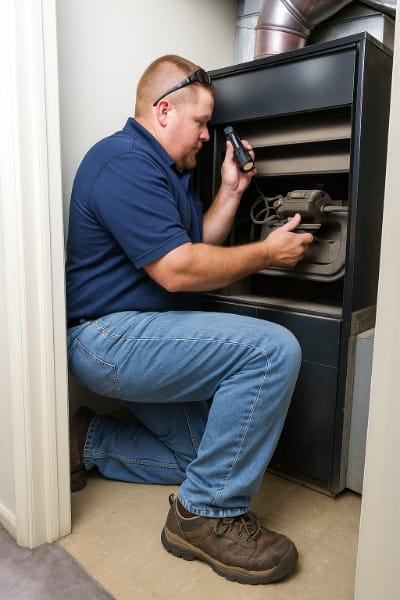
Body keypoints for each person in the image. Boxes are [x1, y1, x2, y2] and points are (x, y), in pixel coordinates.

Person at [66, 54, 313, 585]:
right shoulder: (122, 162)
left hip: (146, 339)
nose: (206, 136)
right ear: (162, 112)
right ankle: (206, 516)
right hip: (107, 339)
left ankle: (86, 440)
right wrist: (268, 253)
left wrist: (229, 191)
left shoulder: (168, 174)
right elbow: (179, 271)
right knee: (272, 349)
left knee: (209, 457)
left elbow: (196, 247)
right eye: (201, 122)